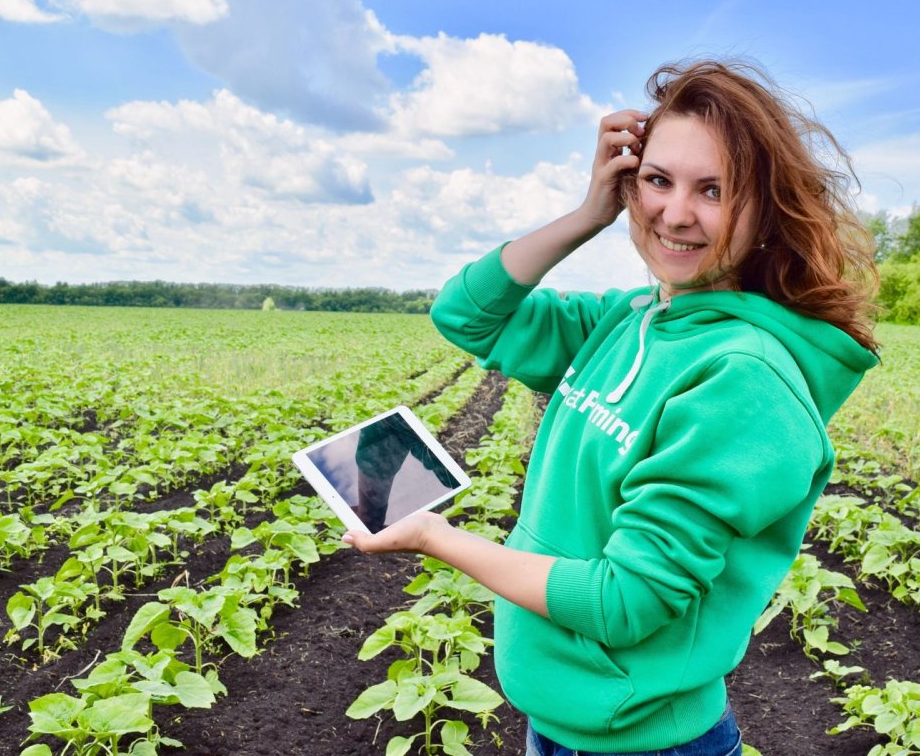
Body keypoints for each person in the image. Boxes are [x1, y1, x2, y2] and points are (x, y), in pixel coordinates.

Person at [343, 59, 880, 756]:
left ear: (766, 211)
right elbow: (467, 315)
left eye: (713, 191)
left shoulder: (743, 378)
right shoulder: (628, 320)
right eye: (657, 180)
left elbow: (625, 601)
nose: (675, 212)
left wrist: (434, 537)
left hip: (642, 742)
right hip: (561, 727)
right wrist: (589, 213)